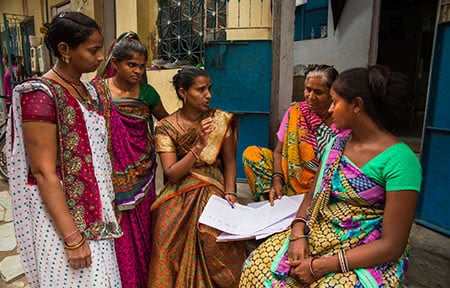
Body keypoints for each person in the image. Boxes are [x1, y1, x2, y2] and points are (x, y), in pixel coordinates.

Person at [239, 65, 422, 287]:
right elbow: (312, 194)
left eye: (335, 102)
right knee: (256, 270)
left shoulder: (401, 161)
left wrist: (320, 266)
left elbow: (392, 245)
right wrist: (298, 233)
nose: (330, 109)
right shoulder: (337, 145)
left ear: (356, 105)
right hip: (320, 231)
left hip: (365, 250)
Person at [6, 12, 122, 287]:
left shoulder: (89, 91)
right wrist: (72, 237)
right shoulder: (40, 94)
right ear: (64, 50)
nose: (99, 58)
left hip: (96, 214)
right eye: (92, 50)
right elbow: (43, 170)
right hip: (62, 221)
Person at [148, 66, 247, 287]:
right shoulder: (165, 127)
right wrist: (199, 145)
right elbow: (172, 173)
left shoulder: (220, 120)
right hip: (179, 187)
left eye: (209, 89)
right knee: (165, 236)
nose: (208, 95)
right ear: (183, 93)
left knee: (214, 237)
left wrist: (230, 192)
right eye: (201, 90)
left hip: (213, 185)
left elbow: (230, 162)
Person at [92, 31, 168, 288]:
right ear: (114, 63)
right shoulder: (97, 92)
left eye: (142, 66)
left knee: (144, 228)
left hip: (143, 174)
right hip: (108, 175)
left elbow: (167, 124)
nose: (137, 71)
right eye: (131, 65)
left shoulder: (147, 93)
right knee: (118, 234)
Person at [243, 65, 339, 203]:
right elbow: (278, 152)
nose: (311, 96)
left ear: (332, 94)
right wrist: (277, 180)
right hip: (289, 179)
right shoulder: (296, 112)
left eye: (318, 92)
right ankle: (271, 200)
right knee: (251, 154)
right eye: (308, 90)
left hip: (320, 186)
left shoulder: (340, 120)